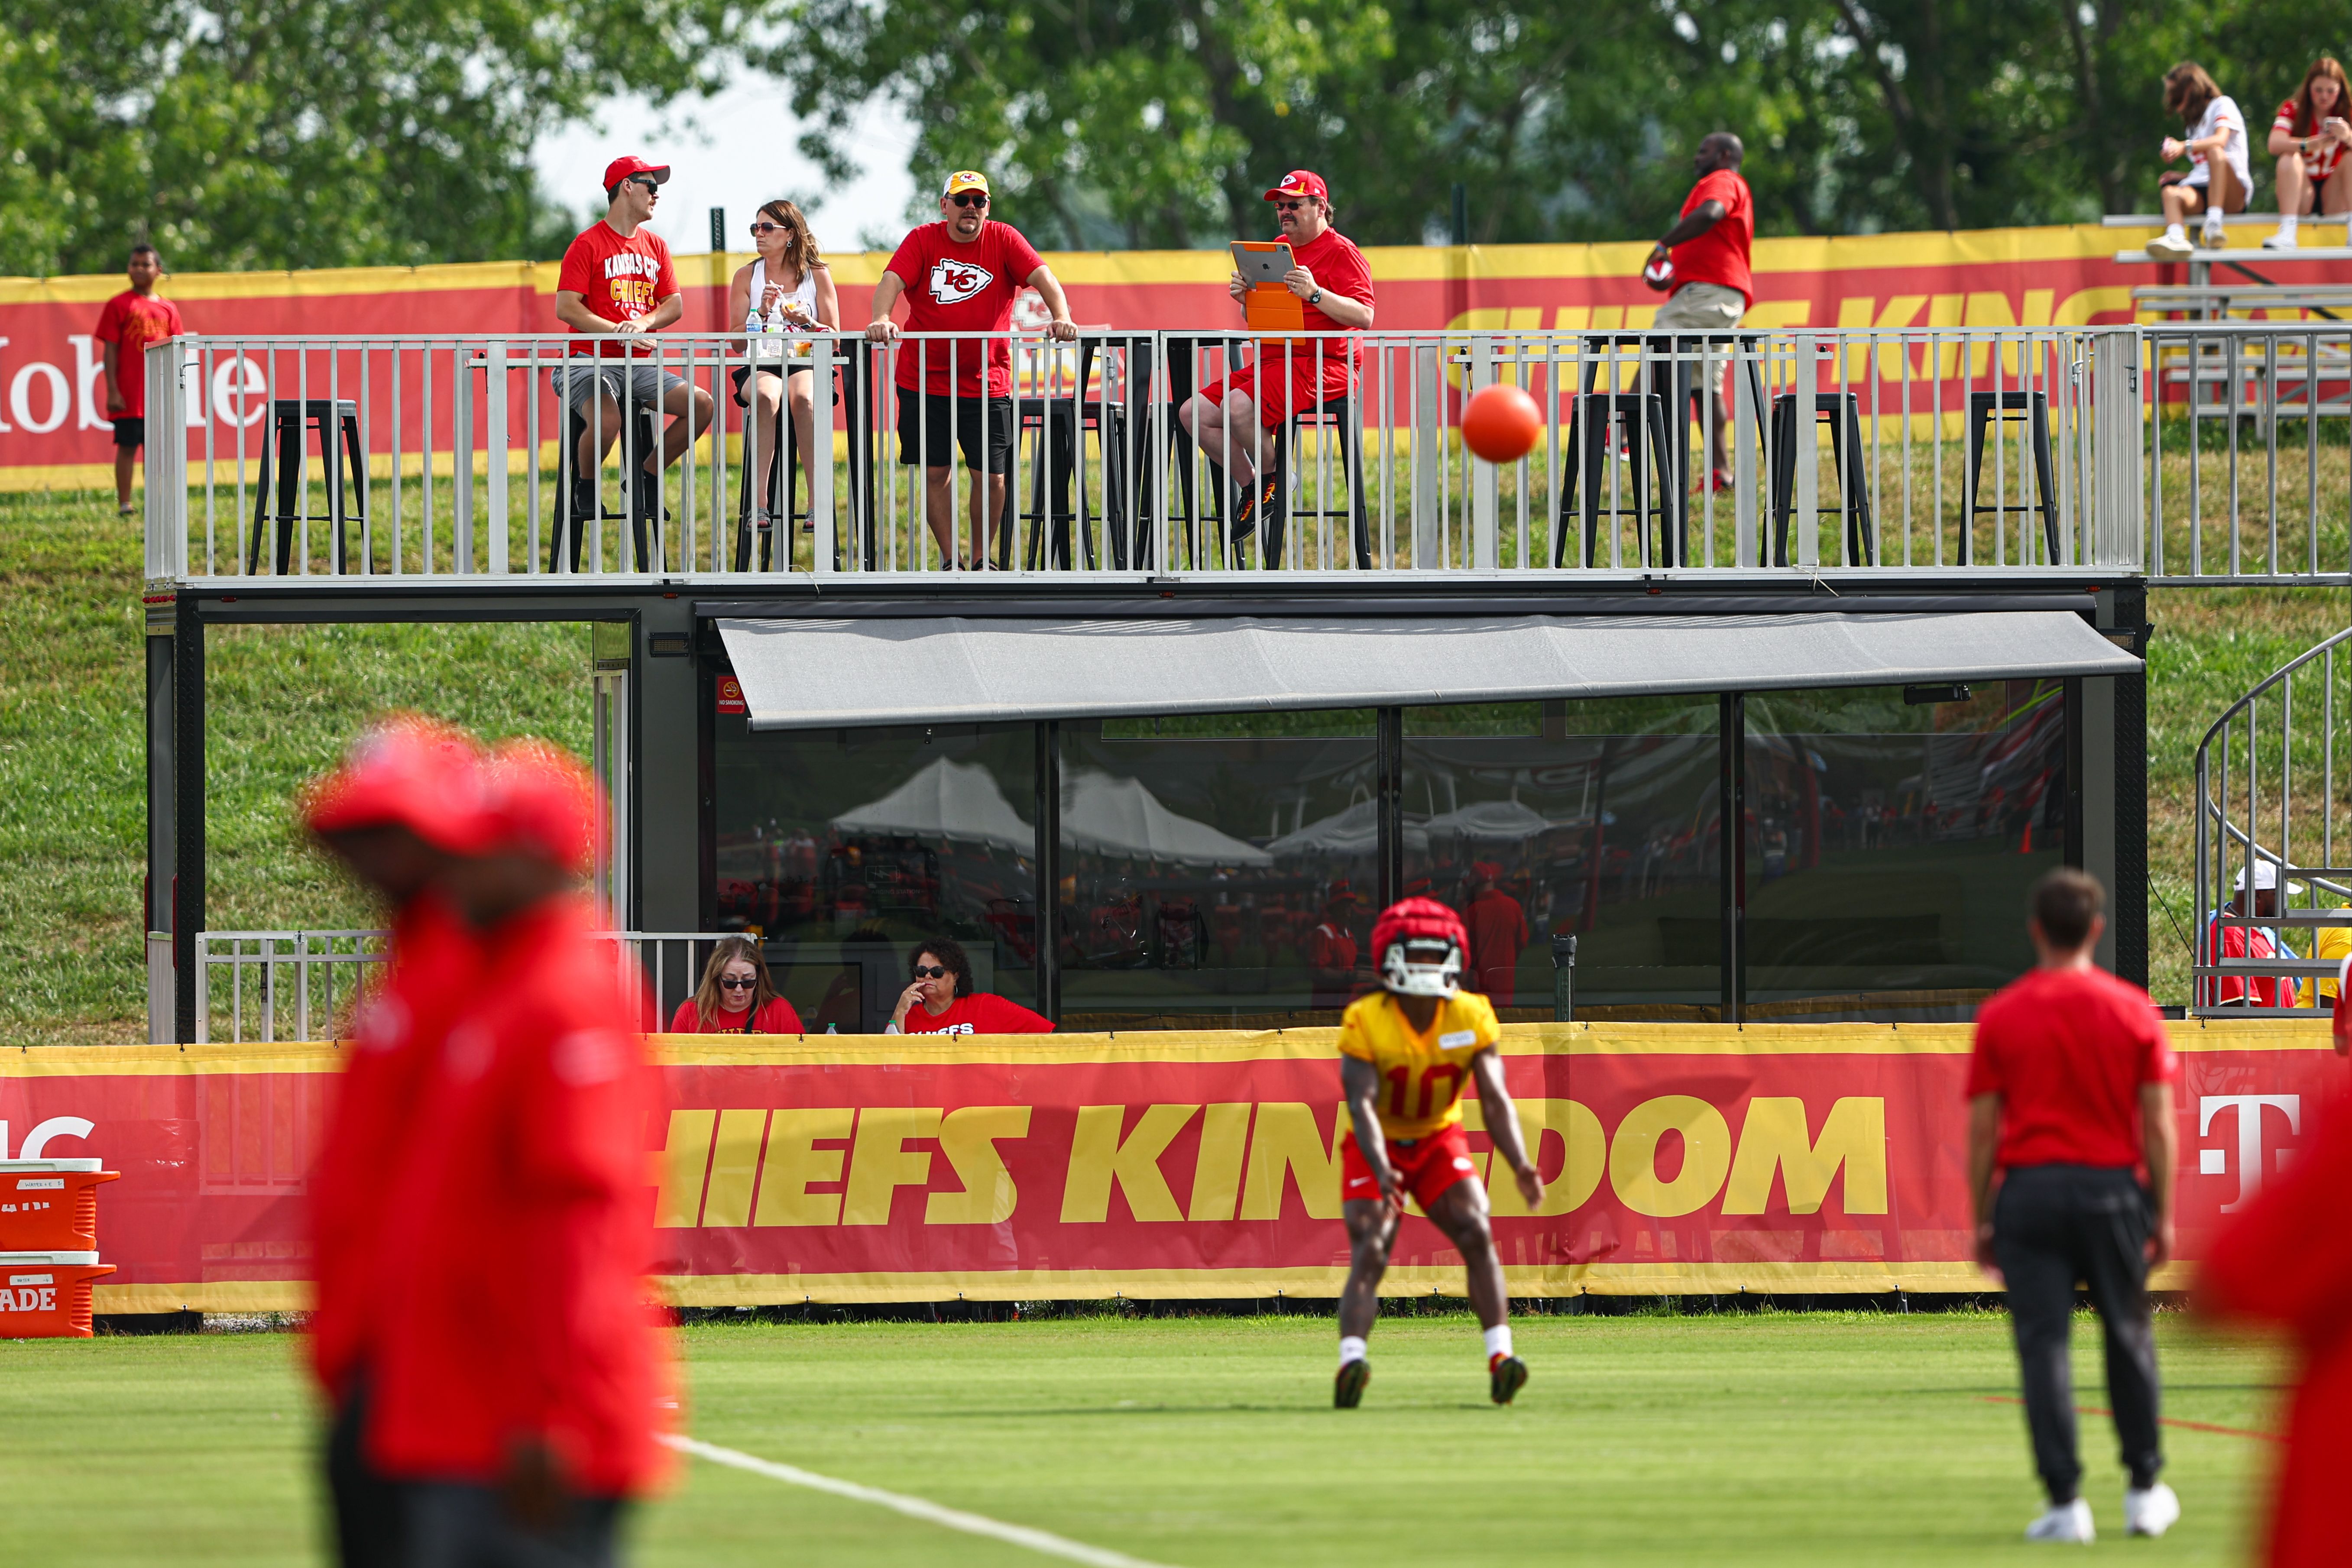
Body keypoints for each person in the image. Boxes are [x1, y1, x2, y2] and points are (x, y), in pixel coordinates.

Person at [367, 739, 670, 1565]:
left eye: (476, 845)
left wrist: (550, 1412)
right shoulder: (502, 983)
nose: (453, 864)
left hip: (535, 1425)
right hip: (484, 1408)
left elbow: (576, 1218)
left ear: (533, 858)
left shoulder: (563, 995)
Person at [301, 716, 492, 1568]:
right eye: (363, 833)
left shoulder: (484, 977)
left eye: (395, 832)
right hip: (381, 1370)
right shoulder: (411, 971)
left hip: (453, 1387)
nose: (373, 859)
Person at [1966, 868, 2180, 1543]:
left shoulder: (2001, 1014)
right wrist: (2165, 1212)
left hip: (2029, 1192)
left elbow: (1981, 1128)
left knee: (2043, 1349)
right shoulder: (2130, 1010)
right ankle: (2143, 1490)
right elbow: (2158, 1124)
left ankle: (2065, 1505)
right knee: (2126, 1335)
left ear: (2035, 930)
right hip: (2112, 1189)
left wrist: (1980, 1214)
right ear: (2094, 928)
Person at [1333, 897, 1545, 1410]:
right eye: (1417, 956)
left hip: (1436, 1137)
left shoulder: (1471, 1012)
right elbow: (1360, 1104)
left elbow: (1494, 1098)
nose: (1427, 968)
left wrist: (1519, 1162)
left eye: (1435, 956)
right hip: (1378, 1138)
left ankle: (1501, 1357)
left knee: (1477, 1226)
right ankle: (1351, 1362)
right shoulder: (1366, 1017)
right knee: (1373, 1241)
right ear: (1391, 957)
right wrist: (1382, 1167)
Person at [865, 172, 1078, 569]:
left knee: (993, 477)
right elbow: (891, 280)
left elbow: (1044, 277)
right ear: (944, 205)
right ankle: (951, 560)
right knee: (936, 474)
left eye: (979, 201)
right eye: (962, 200)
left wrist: (1062, 316)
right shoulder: (922, 239)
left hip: (988, 381)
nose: (970, 209)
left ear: (987, 208)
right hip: (924, 380)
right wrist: (881, 317)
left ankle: (982, 561)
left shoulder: (1004, 238)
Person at [1179, 170, 1376, 544]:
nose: (1285, 212)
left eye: (1294, 205)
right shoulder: (1275, 247)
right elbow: (1259, 318)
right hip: (1275, 362)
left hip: (1324, 365)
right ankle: (1261, 483)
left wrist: (1316, 293)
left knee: (1238, 406)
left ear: (1320, 208)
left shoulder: (1342, 250)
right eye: (1280, 206)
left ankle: (1273, 479)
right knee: (1192, 414)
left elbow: (1365, 315)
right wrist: (1245, 301)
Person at [554, 156, 716, 536]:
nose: (657, 195)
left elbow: (673, 305)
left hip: (637, 365)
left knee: (702, 405)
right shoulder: (587, 243)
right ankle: (587, 486)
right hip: (586, 362)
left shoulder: (656, 245)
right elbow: (566, 307)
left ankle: (645, 477)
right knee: (609, 420)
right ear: (627, 186)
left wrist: (642, 323)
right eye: (651, 186)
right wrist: (617, 332)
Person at [1642, 132, 1753, 490]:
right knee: (1707, 387)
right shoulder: (1724, 181)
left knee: (1661, 341)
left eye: (1702, 150)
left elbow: (1712, 213)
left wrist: (1664, 245)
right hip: (1719, 295)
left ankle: (1621, 432)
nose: (1695, 157)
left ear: (1723, 154)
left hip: (1708, 292)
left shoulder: (1721, 181)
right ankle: (1722, 473)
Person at [726, 200, 839, 538]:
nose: (759, 234)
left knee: (804, 398)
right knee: (766, 395)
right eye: (755, 228)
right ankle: (759, 504)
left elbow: (834, 337)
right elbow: (736, 343)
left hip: (807, 361)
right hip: (762, 363)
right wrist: (760, 315)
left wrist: (808, 322)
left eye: (767, 228)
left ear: (789, 234)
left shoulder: (817, 273)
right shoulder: (747, 275)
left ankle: (817, 502)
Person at [94, 245, 187, 517]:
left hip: (159, 392)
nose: (139, 269)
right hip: (130, 394)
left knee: (157, 450)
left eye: (145, 264)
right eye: (134, 264)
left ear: (158, 270)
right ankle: (125, 503)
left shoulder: (169, 308)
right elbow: (110, 349)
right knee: (127, 446)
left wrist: (173, 389)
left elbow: (177, 350)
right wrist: (113, 389)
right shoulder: (119, 304)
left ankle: (157, 502)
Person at [2149, 63, 2252, 260]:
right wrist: (2184, 176)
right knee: (2170, 193)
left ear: (2190, 88)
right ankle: (2176, 238)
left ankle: (2214, 223)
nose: (2173, 101)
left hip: (2232, 195)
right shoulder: (2192, 125)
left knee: (2215, 152)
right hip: (2206, 189)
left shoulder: (2222, 104)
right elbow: (2206, 170)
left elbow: (2220, 141)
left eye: (2176, 94)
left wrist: (2183, 147)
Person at [2264, 58, 2352, 249]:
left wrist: (2348, 137)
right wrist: (2308, 144)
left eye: (2331, 91)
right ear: (2308, 87)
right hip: (2303, 195)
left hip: (2335, 197)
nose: (2324, 97)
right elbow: (2274, 144)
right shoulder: (2293, 109)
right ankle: (2288, 232)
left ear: (2341, 91)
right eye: (2318, 90)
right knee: (2288, 157)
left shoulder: (2349, 112)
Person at [884, 936, 1052, 1034]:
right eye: (921, 970)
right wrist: (899, 1011)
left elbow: (1046, 1033)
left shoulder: (986, 1006)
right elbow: (887, 1062)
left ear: (956, 975)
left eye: (937, 971)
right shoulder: (908, 1016)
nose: (928, 976)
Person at [2201, 860, 2294, 1008]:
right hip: (2262, 1031)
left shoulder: (2256, 930)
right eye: (2279, 895)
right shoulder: (2230, 937)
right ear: (2257, 896)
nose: (2285, 904)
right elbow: (2235, 1010)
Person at [667, 936, 805, 1034]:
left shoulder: (779, 1010)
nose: (739, 989)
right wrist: (706, 1069)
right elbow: (672, 1069)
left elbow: (802, 1065)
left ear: (759, 977)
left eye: (748, 981)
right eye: (730, 982)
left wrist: (771, 1072)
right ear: (716, 979)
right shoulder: (691, 1013)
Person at [1464, 862, 1529, 1007]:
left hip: (1479, 994)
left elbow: (1464, 958)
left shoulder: (1469, 914)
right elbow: (1523, 942)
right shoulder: (1513, 906)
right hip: (1505, 989)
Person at [1307, 882, 1363, 1011]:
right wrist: (1349, 977)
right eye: (1345, 903)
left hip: (1346, 1008)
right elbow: (1317, 972)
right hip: (1327, 1010)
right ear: (1335, 907)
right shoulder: (1324, 933)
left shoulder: (1348, 934)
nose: (1349, 907)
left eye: (1350, 903)